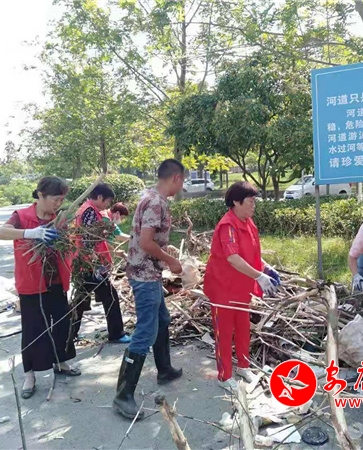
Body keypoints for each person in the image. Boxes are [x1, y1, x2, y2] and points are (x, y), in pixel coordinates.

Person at [0, 176, 80, 399]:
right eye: (55, 199)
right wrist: (30, 233)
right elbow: (0, 233)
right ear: (41, 195)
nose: (59, 203)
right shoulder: (22, 216)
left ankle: (61, 362)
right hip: (31, 283)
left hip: (56, 281)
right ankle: (29, 375)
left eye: (62, 199)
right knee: (33, 329)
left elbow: (69, 242)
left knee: (61, 323)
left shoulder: (58, 219)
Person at [113, 159, 185, 420]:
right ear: (176, 178)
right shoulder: (156, 202)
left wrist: (163, 255)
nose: (182, 186)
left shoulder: (149, 196)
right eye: (183, 181)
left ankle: (164, 369)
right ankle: (123, 395)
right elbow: (145, 242)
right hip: (145, 276)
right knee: (145, 331)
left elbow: (146, 238)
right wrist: (171, 260)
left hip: (146, 272)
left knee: (162, 320)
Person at [203, 181, 280, 392]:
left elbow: (251, 253)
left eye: (254, 201)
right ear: (236, 202)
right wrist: (259, 276)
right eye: (250, 201)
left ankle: (243, 366)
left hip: (240, 288)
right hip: (223, 288)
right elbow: (233, 258)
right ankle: (224, 376)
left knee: (243, 329)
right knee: (224, 333)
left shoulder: (248, 222)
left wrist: (266, 268)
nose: (254, 205)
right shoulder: (228, 226)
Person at [72, 184, 131, 344]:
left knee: (80, 300)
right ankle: (116, 334)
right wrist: (96, 262)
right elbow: (87, 239)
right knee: (110, 297)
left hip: (84, 263)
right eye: (107, 201)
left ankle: (69, 334)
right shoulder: (90, 211)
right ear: (99, 197)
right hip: (91, 264)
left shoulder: (86, 209)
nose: (107, 205)